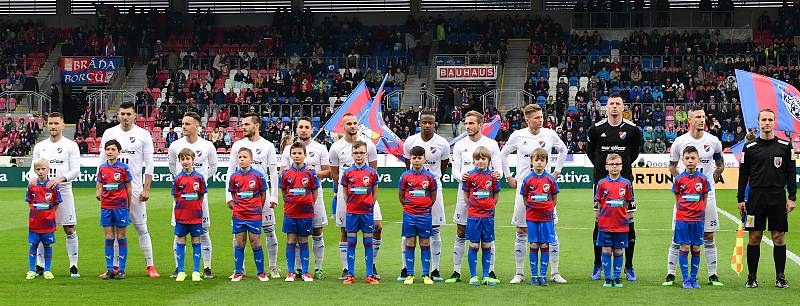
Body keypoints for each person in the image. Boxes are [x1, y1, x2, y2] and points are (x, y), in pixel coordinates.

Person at [502, 104, 568, 284]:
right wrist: (508, 176)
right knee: (521, 230)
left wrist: (556, 172)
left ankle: (554, 273)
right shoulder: (517, 135)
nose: (541, 120)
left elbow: (563, 150)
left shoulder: (550, 134)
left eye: (541, 117)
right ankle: (519, 273)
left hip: (544, 189)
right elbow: (503, 154)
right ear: (527, 119)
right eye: (537, 117)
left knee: (551, 231)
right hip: (524, 187)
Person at [664, 106, 725, 286]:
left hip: (708, 196)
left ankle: (713, 275)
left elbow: (720, 165)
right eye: (698, 116)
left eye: (703, 116)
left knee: (708, 236)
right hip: (685, 197)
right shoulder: (679, 142)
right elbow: (672, 166)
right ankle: (670, 273)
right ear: (689, 120)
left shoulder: (713, 141)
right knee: (678, 236)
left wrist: (707, 184)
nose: (702, 119)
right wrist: (684, 184)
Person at [98, 102, 159, 278]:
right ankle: (114, 268)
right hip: (112, 193)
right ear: (118, 115)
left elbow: (149, 164)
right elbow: (101, 163)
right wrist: (99, 188)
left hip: (135, 190)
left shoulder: (143, 134)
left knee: (141, 227)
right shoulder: (110, 133)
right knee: (115, 231)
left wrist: (146, 189)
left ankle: (150, 266)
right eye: (122, 114)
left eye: (128, 114)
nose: (125, 117)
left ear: (135, 116)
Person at [737, 109, 796, 289]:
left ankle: (780, 277)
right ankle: (752, 277)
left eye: (770, 119)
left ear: (774, 122)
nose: (767, 123)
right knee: (754, 237)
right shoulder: (749, 147)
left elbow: (791, 174)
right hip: (756, 197)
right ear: (758, 122)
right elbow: (743, 175)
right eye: (764, 119)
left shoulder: (785, 146)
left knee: (778, 237)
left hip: (777, 196)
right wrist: (741, 198)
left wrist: (792, 197)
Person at [587, 94, 642, 281]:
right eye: (611, 104)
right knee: (599, 223)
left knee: (629, 222)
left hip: (624, 183)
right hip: (602, 184)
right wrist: (604, 170)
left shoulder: (633, 130)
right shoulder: (595, 130)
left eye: (618, 104)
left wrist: (622, 169)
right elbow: (591, 153)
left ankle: (629, 266)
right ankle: (597, 265)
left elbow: (634, 153)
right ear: (606, 107)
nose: (615, 107)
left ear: (623, 107)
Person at [446, 110, 503, 284]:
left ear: (480, 125)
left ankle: (490, 272)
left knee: (487, 236)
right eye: (466, 122)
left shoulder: (491, 144)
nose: (468, 126)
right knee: (461, 231)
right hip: (465, 195)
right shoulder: (459, 145)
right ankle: (456, 271)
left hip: (485, 199)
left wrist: (497, 174)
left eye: (471, 123)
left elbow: (499, 169)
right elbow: (455, 169)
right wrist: (459, 176)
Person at [225, 113, 281, 279]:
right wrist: (228, 195)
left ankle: (272, 266)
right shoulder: (237, 145)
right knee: (238, 234)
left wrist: (274, 196)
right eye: (242, 124)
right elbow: (230, 170)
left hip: (261, 198)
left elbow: (273, 172)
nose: (243, 127)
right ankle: (239, 269)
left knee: (269, 231)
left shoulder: (268, 145)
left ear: (256, 126)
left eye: (247, 124)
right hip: (242, 201)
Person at [329, 113, 383, 280]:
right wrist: (347, 193)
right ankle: (346, 269)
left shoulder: (369, 146)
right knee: (345, 230)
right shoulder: (336, 147)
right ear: (342, 127)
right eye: (349, 124)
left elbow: (373, 171)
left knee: (378, 226)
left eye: (355, 123)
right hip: (347, 196)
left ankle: (371, 264)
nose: (352, 126)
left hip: (366, 196)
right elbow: (336, 174)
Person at [27, 112, 81, 278]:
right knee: (42, 229)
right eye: (50, 123)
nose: (53, 126)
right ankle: (40, 266)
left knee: (69, 228)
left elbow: (76, 171)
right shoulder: (40, 146)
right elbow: (31, 169)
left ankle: (73, 265)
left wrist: (60, 179)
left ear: (63, 125)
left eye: (56, 123)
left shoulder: (71, 146)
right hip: (43, 193)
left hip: (63, 190)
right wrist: (32, 178)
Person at [399, 111, 450, 282]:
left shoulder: (442, 143)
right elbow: (408, 164)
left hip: (434, 188)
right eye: (424, 122)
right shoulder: (410, 141)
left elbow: (443, 166)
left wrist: (433, 181)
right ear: (419, 123)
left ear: (435, 123)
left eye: (430, 122)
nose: (427, 125)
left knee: (434, 230)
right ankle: (406, 268)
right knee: (409, 233)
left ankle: (434, 269)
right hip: (413, 191)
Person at [167, 112, 218, 279]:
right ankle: (178, 267)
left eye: (188, 124)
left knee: (203, 231)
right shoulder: (175, 145)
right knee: (178, 232)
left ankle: (207, 266)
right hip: (181, 198)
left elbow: (213, 167)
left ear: (197, 126)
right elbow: (172, 166)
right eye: (183, 123)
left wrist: (199, 181)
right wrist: (182, 181)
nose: (184, 126)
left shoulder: (208, 145)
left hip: (199, 197)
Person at [281, 117, 330, 280]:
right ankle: (297, 269)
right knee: (294, 235)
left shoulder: (320, 148)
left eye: (307, 127)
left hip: (314, 194)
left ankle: (318, 268)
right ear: (297, 129)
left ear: (312, 129)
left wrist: (313, 173)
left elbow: (328, 171)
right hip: (294, 199)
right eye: (301, 127)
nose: (303, 129)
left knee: (316, 231)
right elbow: (283, 170)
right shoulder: (289, 148)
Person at [340, 140, 380, 285]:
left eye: (361, 153)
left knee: (368, 242)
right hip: (352, 213)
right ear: (352, 154)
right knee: (351, 242)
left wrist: (370, 205)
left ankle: (369, 274)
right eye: (356, 153)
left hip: (367, 213)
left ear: (366, 154)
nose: (358, 156)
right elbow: (344, 193)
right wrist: (350, 205)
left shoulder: (372, 172)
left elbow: (375, 192)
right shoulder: (347, 173)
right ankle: (350, 274)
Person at [671, 146, 711, 289]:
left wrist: (700, 209)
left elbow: (705, 196)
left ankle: (694, 278)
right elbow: (677, 196)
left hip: (697, 219)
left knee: (696, 248)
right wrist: (683, 210)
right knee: (684, 246)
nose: (690, 161)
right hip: (683, 219)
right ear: (682, 160)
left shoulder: (703, 179)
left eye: (693, 158)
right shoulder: (679, 179)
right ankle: (686, 279)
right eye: (687, 158)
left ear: (698, 160)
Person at [594, 153, 636, 288]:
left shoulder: (626, 184)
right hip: (605, 224)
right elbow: (598, 203)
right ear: (606, 167)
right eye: (612, 164)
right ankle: (607, 278)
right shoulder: (601, 183)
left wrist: (628, 220)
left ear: (622, 166)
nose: (614, 167)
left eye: (617, 164)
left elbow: (629, 203)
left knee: (618, 250)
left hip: (621, 225)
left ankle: (617, 278)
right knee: (606, 250)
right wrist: (598, 218)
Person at [279, 142, 320, 283]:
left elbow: (315, 191)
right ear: (290, 156)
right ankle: (290, 272)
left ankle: (305, 272)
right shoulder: (285, 174)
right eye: (294, 153)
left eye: (299, 153)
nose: (297, 156)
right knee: (291, 241)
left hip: (305, 213)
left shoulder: (310, 173)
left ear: (305, 155)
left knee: (303, 241)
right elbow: (284, 191)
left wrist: (309, 203)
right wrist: (290, 202)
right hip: (290, 213)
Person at [398, 146, 438, 285]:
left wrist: (425, 206)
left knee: (425, 242)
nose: (416, 160)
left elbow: (433, 196)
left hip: (424, 215)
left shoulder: (430, 177)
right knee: (409, 242)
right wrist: (410, 207)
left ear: (424, 159)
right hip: (409, 215)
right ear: (410, 159)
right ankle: (410, 274)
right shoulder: (405, 176)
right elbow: (401, 196)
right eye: (414, 158)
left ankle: (426, 275)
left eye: (419, 158)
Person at [228, 147, 269, 282]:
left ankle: (261, 273)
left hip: (254, 215)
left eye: (245, 157)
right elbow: (233, 193)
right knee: (239, 243)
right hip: (239, 215)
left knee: (255, 242)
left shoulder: (258, 175)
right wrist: (238, 205)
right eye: (240, 157)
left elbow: (263, 193)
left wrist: (257, 207)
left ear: (251, 159)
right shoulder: (234, 176)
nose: (242, 159)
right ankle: (238, 272)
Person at [519, 148, 559, 286]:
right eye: (537, 160)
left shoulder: (550, 179)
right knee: (534, 244)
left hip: (547, 217)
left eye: (542, 160)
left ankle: (543, 275)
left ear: (546, 162)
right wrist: (531, 207)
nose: (539, 163)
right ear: (531, 162)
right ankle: (534, 275)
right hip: (532, 217)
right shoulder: (528, 179)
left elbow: (554, 196)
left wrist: (548, 208)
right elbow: (524, 197)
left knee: (545, 244)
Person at [462, 146, 501, 286]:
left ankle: (485, 275)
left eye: (483, 159)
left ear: (489, 161)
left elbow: (496, 195)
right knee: (473, 244)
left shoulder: (493, 177)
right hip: (474, 216)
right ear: (473, 161)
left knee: (486, 245)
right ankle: (473, 276)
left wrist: (490, 206)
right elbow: (466, 194)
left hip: (488, 217)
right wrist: (473, 205)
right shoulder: (469, 176)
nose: (480, 162)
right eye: (477, 159)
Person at [96, 140, 133, 280]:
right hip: (106, 206)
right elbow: (99, 184)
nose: (110, 152)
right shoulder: (102, 168)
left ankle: (122, 269)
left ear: (119, 152)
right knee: (109, 237)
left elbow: (129, 188)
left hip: (120, 206)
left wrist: (128, 206)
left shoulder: (123, 168)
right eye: (108, 149)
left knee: (121, 237)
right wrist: (98, 192)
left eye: (113, 149)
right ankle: (110, 269)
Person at [171, 148, 208, 282]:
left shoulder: (199, 177)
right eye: (182, 159)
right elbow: (175, 196)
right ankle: (181, 271)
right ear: (180, 161)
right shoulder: (178, 178)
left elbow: (201, 196)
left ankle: (196, 271)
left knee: (196, 241)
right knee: (180, 240)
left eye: (188, 159)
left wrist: (195, 206)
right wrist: (183, 205)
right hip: (181, 216)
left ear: (193, 160)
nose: (185, 162)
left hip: (195, 216)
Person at [25, 158, 62, 280]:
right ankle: (31, 270)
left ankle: (47, 270)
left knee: (47, 246)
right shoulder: (32, 185)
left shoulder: (53, 186)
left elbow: (56, 203)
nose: (41, 171)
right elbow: (29, 201)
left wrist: (50, 214)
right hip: (34, 223)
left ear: (48, 169)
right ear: (35, 170)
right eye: (38, 169)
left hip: (48, 223)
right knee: (33, 245)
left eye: (43, 169)